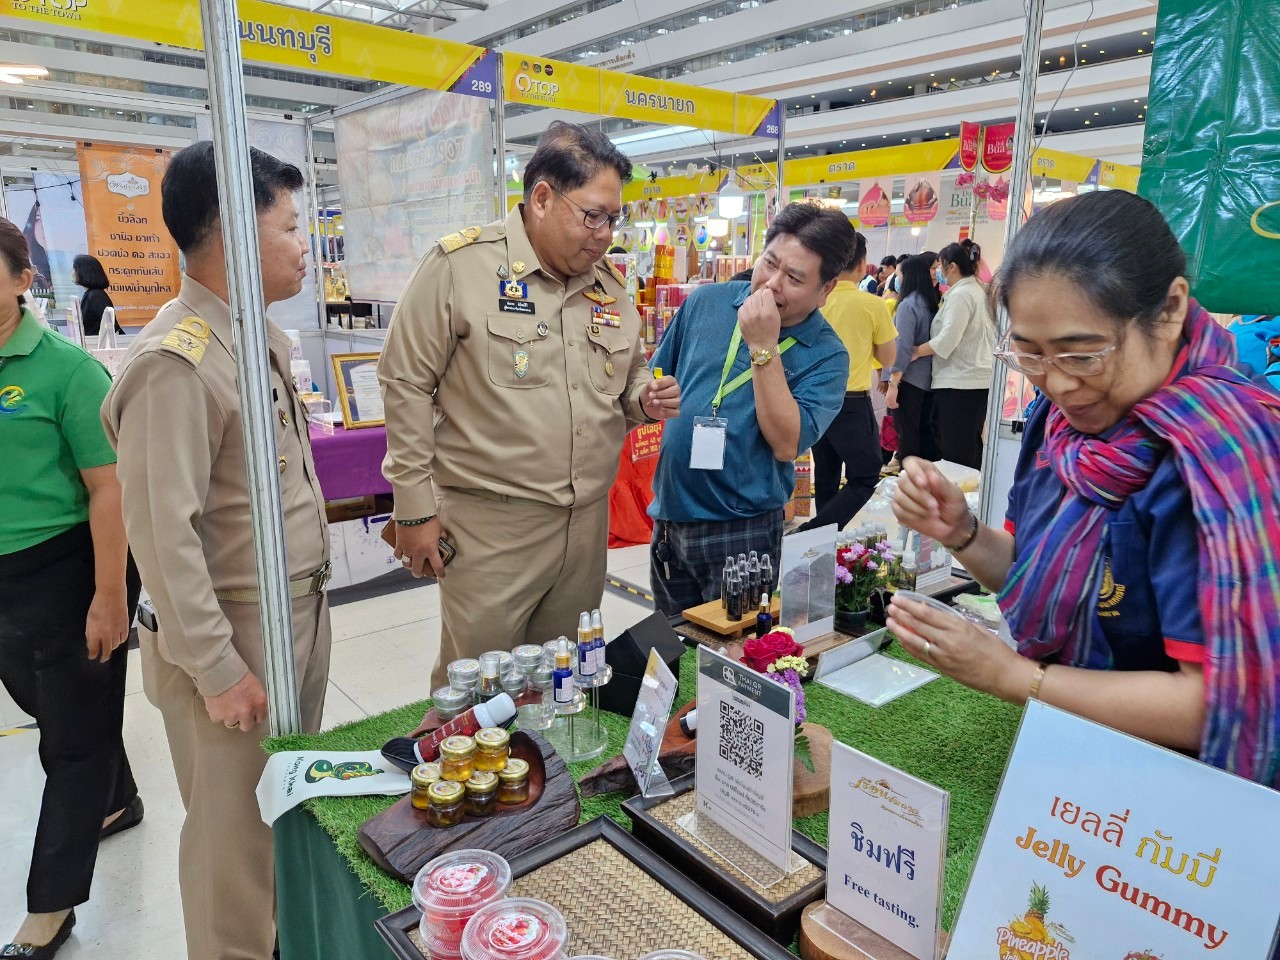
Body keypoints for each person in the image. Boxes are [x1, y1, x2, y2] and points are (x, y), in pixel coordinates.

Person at [887, 190, 1280, 790]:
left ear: (1171, 308)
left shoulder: (1222, 457)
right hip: (1072, 755)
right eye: (1030, 355)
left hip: (1182, 794)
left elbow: (1214, 703)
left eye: (1082, 353)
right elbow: (1033, 575)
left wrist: (1014, 677)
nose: (1060, 383)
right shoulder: (1063, 427)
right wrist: (962, 532)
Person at [102, 141, 332, 960]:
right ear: (236, 231)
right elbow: (163, 540)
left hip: (288, 618)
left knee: (278, 812)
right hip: (231, 637)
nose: (307, 244)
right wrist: (217, 667)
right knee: (230, 842)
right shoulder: (177, 363)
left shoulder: (254, 336)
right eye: (292, 226)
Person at [378, 121, 680, 689]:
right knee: (480, 684)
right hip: (494, 527)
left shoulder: (609, 285)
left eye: (614, 218)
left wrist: (643, 395)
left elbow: (629, 367)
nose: (605, 234)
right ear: (542, 197)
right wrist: (414, 509)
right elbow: (405, 382)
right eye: (593, 215)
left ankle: (548, 778)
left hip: (585, 526)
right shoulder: (459, 268)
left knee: (562, 681)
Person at [0, 219, 141, 959]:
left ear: (24, 279)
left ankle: (50, 909)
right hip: (3, 578)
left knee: (70, 742)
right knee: (43, 703)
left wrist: (110, 594)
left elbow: (108, 489)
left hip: (69, 567)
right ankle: (120, 796)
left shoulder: (65, 370)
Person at [647, 201, 852, 615]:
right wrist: (647, 396)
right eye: (769, 263)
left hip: (742, 532)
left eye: (793, 277)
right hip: (669, 519)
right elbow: (655, 375)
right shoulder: (707, 302)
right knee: (672, 657)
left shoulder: (827, 355)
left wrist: (763, 346)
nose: (771, 284)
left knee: (730, 664)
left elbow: (786, 443)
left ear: (825, 289)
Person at [797, 230, 896, 532]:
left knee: (825, 476)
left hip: (813, 402)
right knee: (866, 476)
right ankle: (813, 532)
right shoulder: (872, 305)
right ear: (863, 264)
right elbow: (888, 356)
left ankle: (823, 545)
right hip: (850, 401)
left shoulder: (813, 301)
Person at [912, 241, 993, 467]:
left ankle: (962, 497)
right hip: (972, 379)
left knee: (956, 448)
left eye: (940, 265)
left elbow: (947, 339)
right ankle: (972, 496)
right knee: (968, 444)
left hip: (961, 381)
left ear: (952, 267)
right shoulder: (976, 290)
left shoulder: (962, 295)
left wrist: (916, 351)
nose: (938, 271)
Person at [884, 253, 941, 462]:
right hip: (927, 379)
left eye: (898, 275)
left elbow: (903, 346)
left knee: (906, 434)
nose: (897, 280)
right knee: (923, 431)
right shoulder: (929, 302)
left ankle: (910, 478)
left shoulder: (908, 305)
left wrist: (893, 382)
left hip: (909, 379)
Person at [71, 254, 123, 339]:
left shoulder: (96, 296)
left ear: (82, 271)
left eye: (74, 268)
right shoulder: (90, 294)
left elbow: (112, 326)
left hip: (99, 346)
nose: (72, 272)